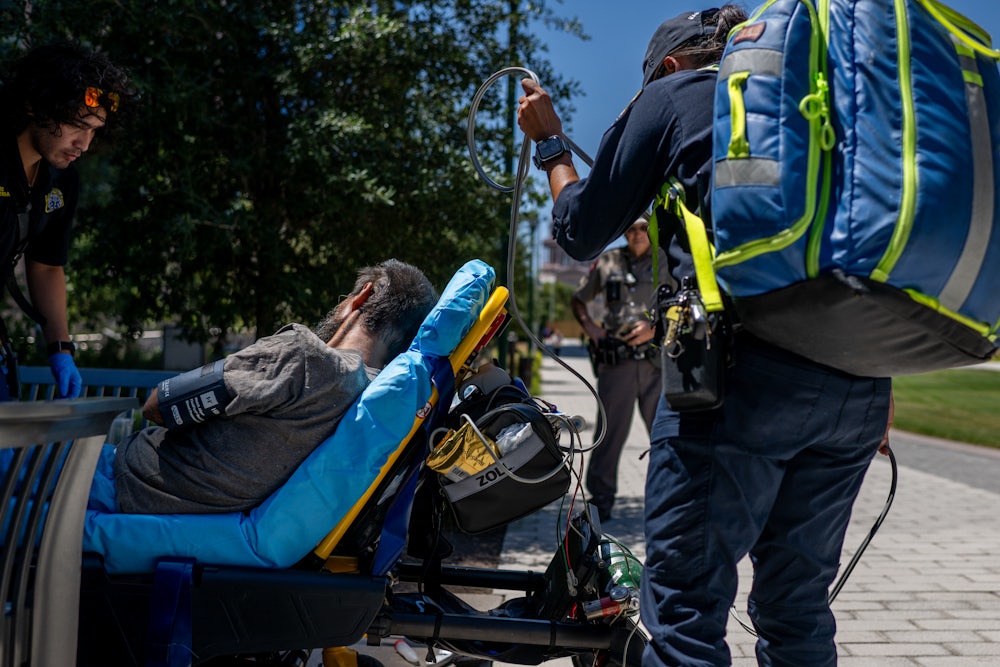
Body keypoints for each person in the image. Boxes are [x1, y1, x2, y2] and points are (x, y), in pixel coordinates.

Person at [517, 7, 893, 666]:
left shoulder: (674, 94)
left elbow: (578, 229)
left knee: (685, 610)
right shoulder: (815, 102)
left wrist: (550, 143)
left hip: (735, 379)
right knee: (798, 605)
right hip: (857, 384)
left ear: (668, 65)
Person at [113, 259, 438, 515]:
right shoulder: (376, 397)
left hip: (136, 482)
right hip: (217, 506)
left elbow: (158, 405)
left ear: (362, 296)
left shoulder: (303, 356)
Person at [0, 42, 131, 400]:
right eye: (77, 125)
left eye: (94, 130)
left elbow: (45, 265)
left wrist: (60, 348)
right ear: (34, 105)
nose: (84, 144)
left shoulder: (61, 180)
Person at [571, 219, 668, 522]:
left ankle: (668, 501)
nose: (636, 234)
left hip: (657, 364)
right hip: (618, 363)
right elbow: (579, 300)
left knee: (665, 434)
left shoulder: (666, 260)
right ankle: (601, 503)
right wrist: (592, 330)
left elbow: (680, 302)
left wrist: (655, 327)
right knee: (609, 435)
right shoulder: (609, 261)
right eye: (630, 229)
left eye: (642, 228)